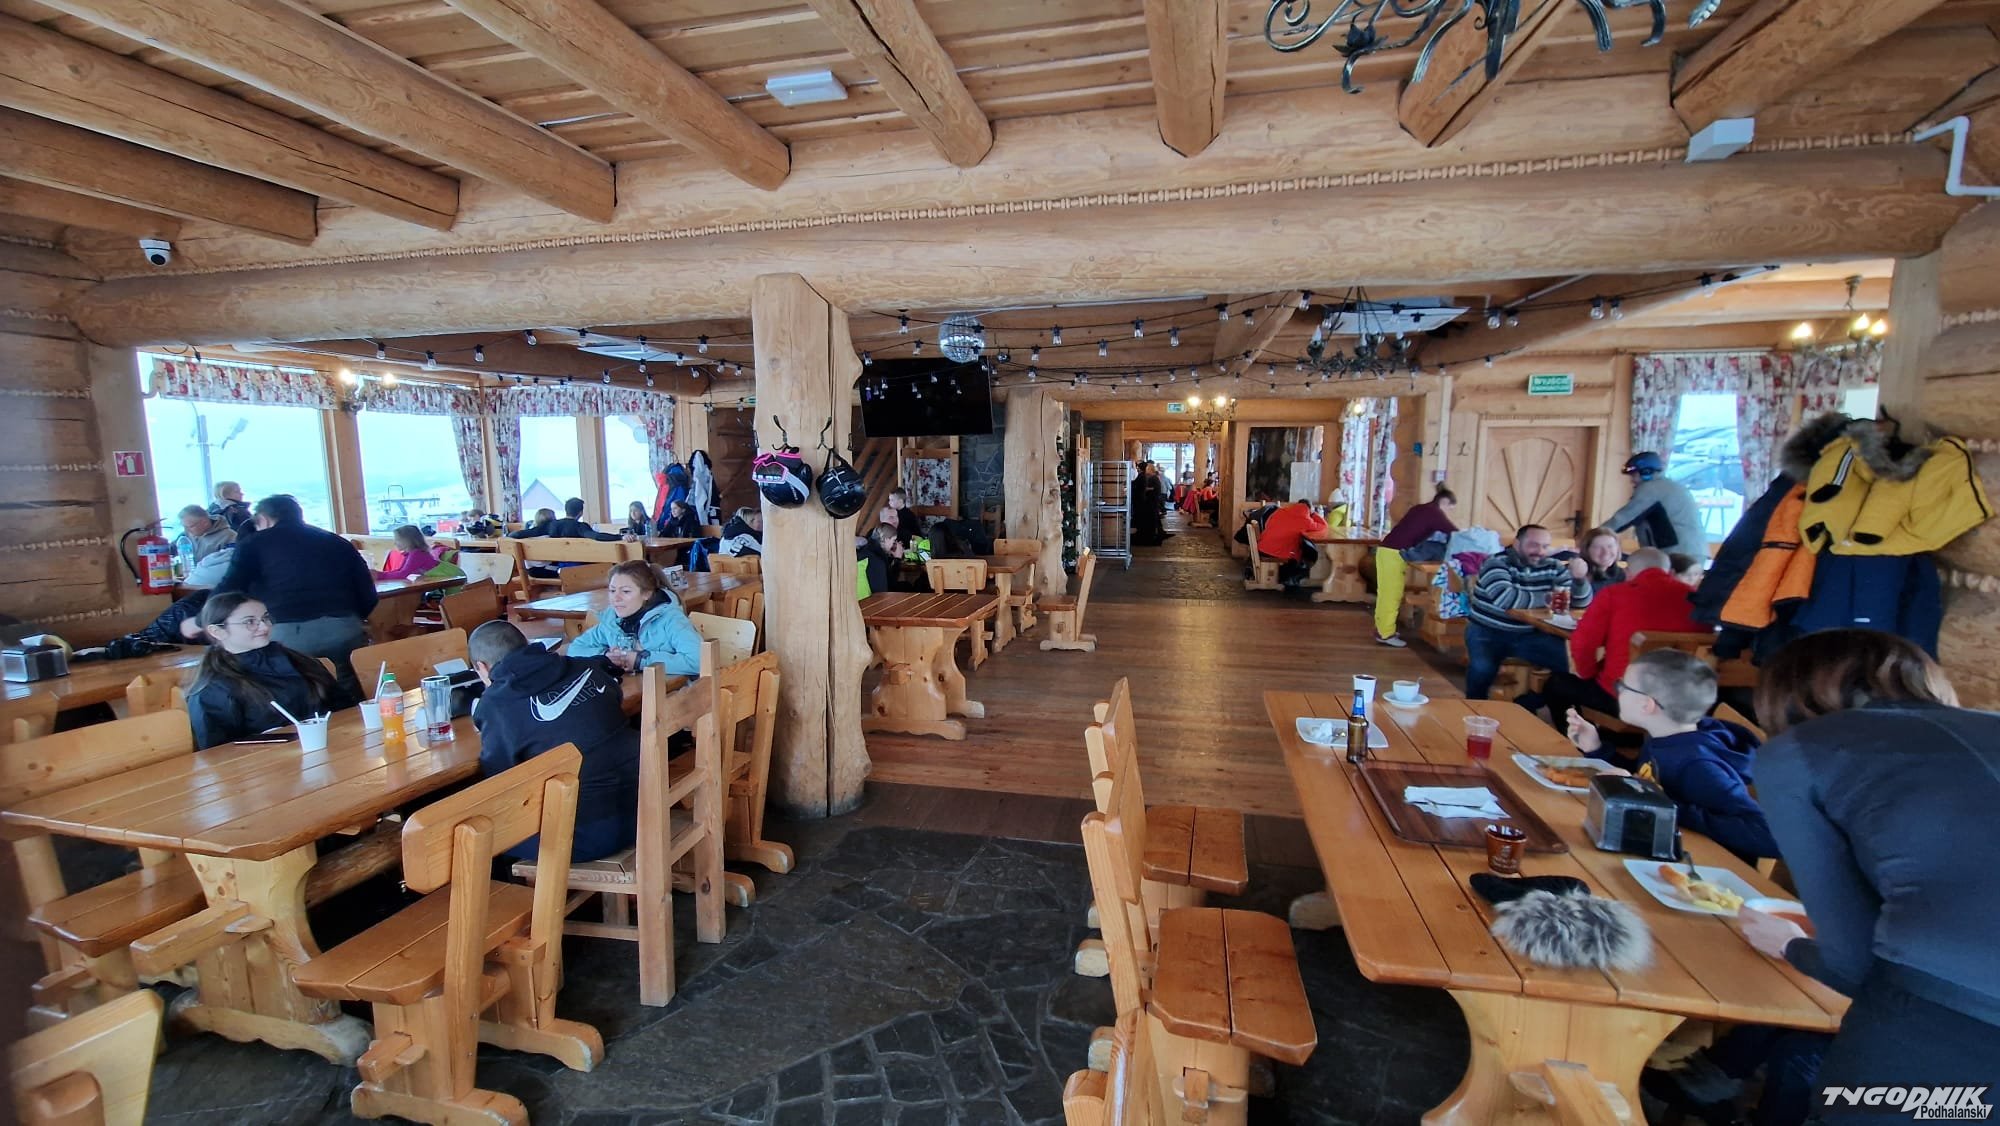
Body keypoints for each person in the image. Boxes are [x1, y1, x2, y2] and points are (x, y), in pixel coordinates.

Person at [1737, 630, 2000, 1112]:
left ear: (1784, 695)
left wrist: (1792, 946)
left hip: (1948, 1023)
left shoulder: (1798, 753)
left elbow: (1852, 964)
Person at [1565, 649, 1778, 864]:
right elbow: (1645, 778)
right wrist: (1597, 749)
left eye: (1623, 686)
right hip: (1658, 848)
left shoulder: (1698, 764)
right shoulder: (1665, 737)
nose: (1618, 691)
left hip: (1703, 866)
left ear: (1647, 704)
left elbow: (1768, 835)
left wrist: (1663, 807)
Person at [469, 620, 639, 863]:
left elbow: (499, 780)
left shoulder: (497, 705)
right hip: (644, 809)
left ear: (482, 667)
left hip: (586, 836)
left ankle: (530, 887)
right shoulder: (583, 667)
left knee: (477, 837)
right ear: (526, 644)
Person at [213, 495, 377, 694]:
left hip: (286, 632)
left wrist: (201, 621)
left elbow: (229, 588)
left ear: (263, 519)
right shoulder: (336, 541)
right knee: (349, 692)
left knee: (294, 693)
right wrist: (351, 618)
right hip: (343, 628)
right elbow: (368, 593)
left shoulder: (254, 543)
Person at [1538, 548, 1703, 725]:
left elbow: (1583, 643)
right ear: (1669, 572)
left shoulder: (1614, 594)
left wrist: (1588, 674)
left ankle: (1579, 738)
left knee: (1556, 684)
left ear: (1628, 572)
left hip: (1623, 696)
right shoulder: (1698, 600)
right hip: (1682, 699)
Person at [184, 592, 349, 749]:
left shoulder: (299, 660)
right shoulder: (213, 688)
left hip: (331, 744)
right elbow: (218, 753)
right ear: (217, 631)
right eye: (250, 622)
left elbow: (344, 708)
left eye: (265, 618)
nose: (264, 626)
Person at [1464, 524, 1594, 700]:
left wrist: (1579, 580)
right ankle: (1475, 706)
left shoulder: (1554, 566)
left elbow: (1579, 603)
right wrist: (1549, 598)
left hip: (1531, 633)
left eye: (1545, 546)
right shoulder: (1496, 563)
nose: (1540, 551)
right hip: (1487, 631)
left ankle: (1531, 703)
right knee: (1482, 669)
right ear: (1517, 544)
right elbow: (1507, 599)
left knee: (1573, 665)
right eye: (1534, 545)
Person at [567, 561, 703, 677]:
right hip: (626, 690)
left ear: (647, 594)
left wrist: (640, 661)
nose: (616, 598)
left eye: (625, 591)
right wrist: (606, 655)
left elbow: (699, 660)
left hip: (671, 694)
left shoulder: (671, 620)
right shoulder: (612, 622)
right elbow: (575, 649)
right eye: (612, 590)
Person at [1372, 486, 1457, 647]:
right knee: (1392, 595)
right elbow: (1455, 533)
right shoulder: (1435, 513)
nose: (1448, 513)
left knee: (1386, 593)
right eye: (1449, 508)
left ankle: (1382, 629)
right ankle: (1385, 634)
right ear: (1444, 502)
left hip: (1386, 550)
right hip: (1394, 553)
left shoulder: (1421, 508)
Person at [1602, 452, 1707, 555]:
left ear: (1646, 472)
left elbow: (1624, 518)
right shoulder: (1668, 486)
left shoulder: (1651, 489)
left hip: (1678, 552)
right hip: (1691, 550)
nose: (1632, 480)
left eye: (1634, 475)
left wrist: (1597, 535)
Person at [1255, 499, 1327, 587]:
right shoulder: (1304, 520)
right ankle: (1289, 580)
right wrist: (1313, 513)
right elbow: (1323, 526)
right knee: (1299, 554)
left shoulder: (1280, 511)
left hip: (1262, 546)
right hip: (1274, 551)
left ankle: (1286, 576)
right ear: (1309, 509)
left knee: (1298, 550)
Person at [1566, 527, 1626, 593]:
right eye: (1598, 547)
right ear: (1586, 550)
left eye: (1610, 546)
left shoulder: (1619, 574)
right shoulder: (1572, 571)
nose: (1606, 552)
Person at [373, 525, 443, 580]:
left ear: (408, 540)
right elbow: (400, 570)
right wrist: (379, 573)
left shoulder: (417, 554)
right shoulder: (411, 553)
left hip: (443, 581)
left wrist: (378, 575)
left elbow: (403, 574)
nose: (395, 543)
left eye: (398, 540)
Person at [545, 498, 620, 541]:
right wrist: (620, 537)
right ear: (581, 513)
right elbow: (596, 536)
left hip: (556, 560)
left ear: (566, 510)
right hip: (579, 561)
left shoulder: (552, 524)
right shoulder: (580, 527)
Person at [859, 522, 903, 595]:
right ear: (886, 539)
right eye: (893, 541)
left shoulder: (866, 549)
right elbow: (890, 585)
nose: (894, 544)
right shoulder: (877, 560)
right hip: (876, 598)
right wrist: (897, 559)